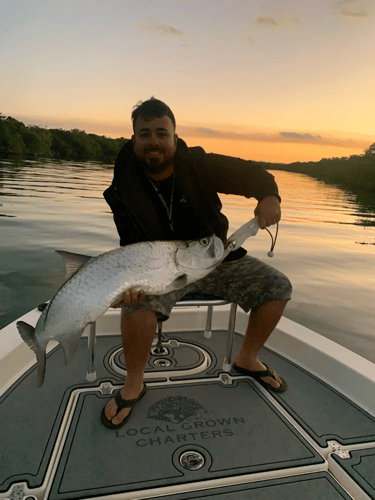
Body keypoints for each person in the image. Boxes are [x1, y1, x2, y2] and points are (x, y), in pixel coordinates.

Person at [101, 97, 292, 429]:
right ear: (134, 141)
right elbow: (131, 245)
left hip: (215, 258)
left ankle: (246, 358)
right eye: (144, 134)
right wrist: (130, 285)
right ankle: (134, 383)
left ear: (175, 138)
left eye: (162, 133)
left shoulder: (199, 164)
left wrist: (269, 195)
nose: (153, 142)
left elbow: (252, 173)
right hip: (161, 269)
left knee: (278, 287)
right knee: (136, 306)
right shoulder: (123, 186)